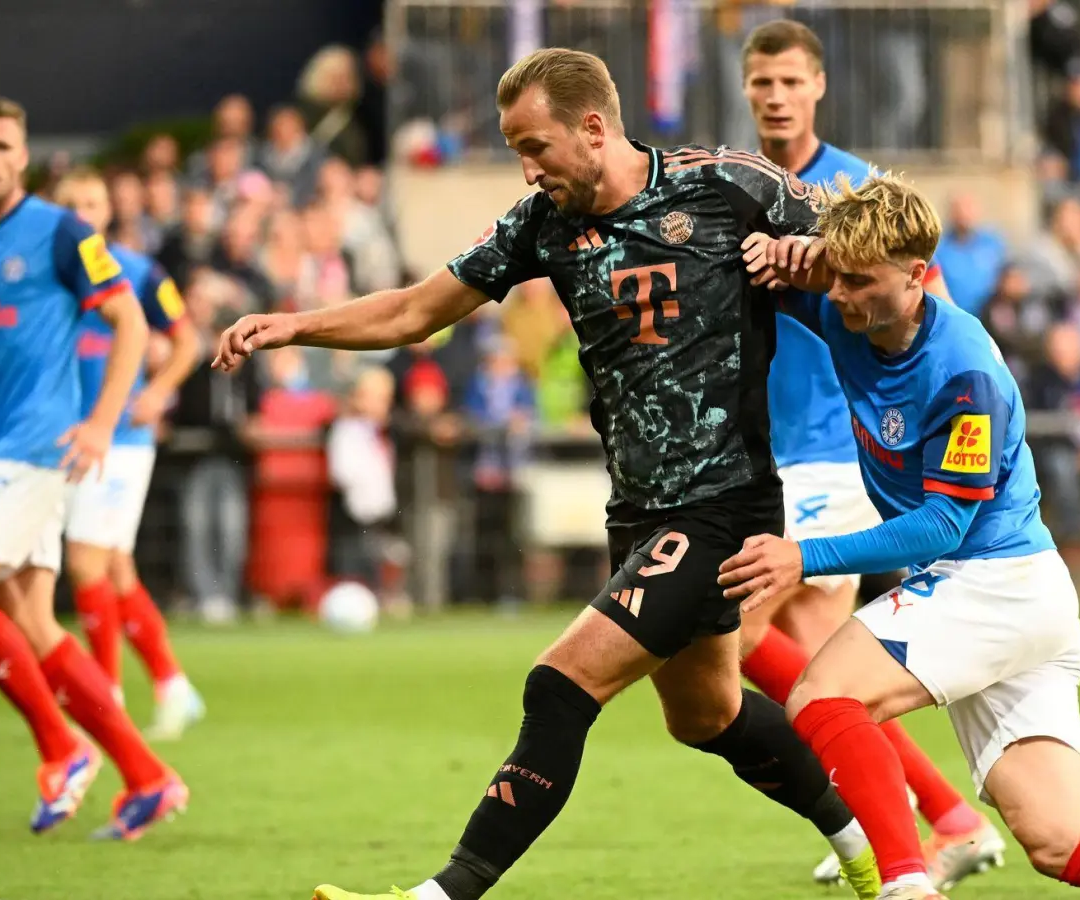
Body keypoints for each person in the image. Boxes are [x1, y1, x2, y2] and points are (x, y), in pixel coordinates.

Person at [212, 49, 880, 900]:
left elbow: (871, 248)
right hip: (639, 510)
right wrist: (292, 324)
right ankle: (866, 848)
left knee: (559, 686)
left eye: (537, 147)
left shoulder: (729, 184)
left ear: (594, 128)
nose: (528, 170)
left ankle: (441, 894)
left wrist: (809, 255)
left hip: (725, 507)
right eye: (516, 151)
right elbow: (419, 309)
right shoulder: (541, 223)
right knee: (706, 715)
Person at [723, 173, 1080, 900]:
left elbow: (945, 523)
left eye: (861, 281)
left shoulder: (964, 370)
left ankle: (905, 885)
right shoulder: (847, 309)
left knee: (823, 697)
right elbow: (776, 276)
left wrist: (803, 557)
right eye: (841, 277)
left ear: (918, 278)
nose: (845, 295)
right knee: (1059, 841)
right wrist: (768, 253)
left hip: (990, 582)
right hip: (1014, 594)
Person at [737, 18, 1002, 893]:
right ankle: (946, 822)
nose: (775, 96)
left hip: (830, 453)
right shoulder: (738, 185)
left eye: (789, 81)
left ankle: (892, 849)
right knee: (824, 672)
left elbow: (935, 308)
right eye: (760, 82)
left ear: (818, 87)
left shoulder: (852, 191)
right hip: (766, 450)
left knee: (736, 636)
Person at [0, 95, 187, 838]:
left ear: (22, 156)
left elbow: (127, 319)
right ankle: (148, 776)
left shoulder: (61, 232)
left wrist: (100, 421)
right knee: (29, 616)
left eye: (1, 146)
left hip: (39, 446)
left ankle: (61, 748)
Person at [53, 168, 207, 740]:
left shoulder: (139, 270)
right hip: (71, 435)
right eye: (72, 203)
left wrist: (159, 391)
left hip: (122, 439)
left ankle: (106, 697)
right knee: (116, 568)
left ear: (106, 210)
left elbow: (188, 339)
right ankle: (172, 685)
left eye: (92, 202)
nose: (83, 212)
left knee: (86, 563)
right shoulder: (52, 275)